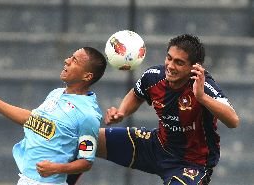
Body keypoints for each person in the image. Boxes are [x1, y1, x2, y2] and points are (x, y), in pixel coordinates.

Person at [62, 34, 240, 185]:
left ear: (195, 67)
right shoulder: (154, 76)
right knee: (84, 141)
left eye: (179, 62)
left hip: (192, 164)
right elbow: (137, 94)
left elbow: (233, 121)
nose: (170, 66)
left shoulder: (204, 86)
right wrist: (122, 112)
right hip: (156, 146)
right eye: (169, 58)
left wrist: (201, 98)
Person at [0, 47, 107, 185]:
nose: (66, 61)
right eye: (70, 57)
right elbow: (30, 120)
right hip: (25, 179)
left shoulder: (88, 115)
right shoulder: (56, 93)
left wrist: (57, 169)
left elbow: (86, 162)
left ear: (87, 76)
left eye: (75, 60)